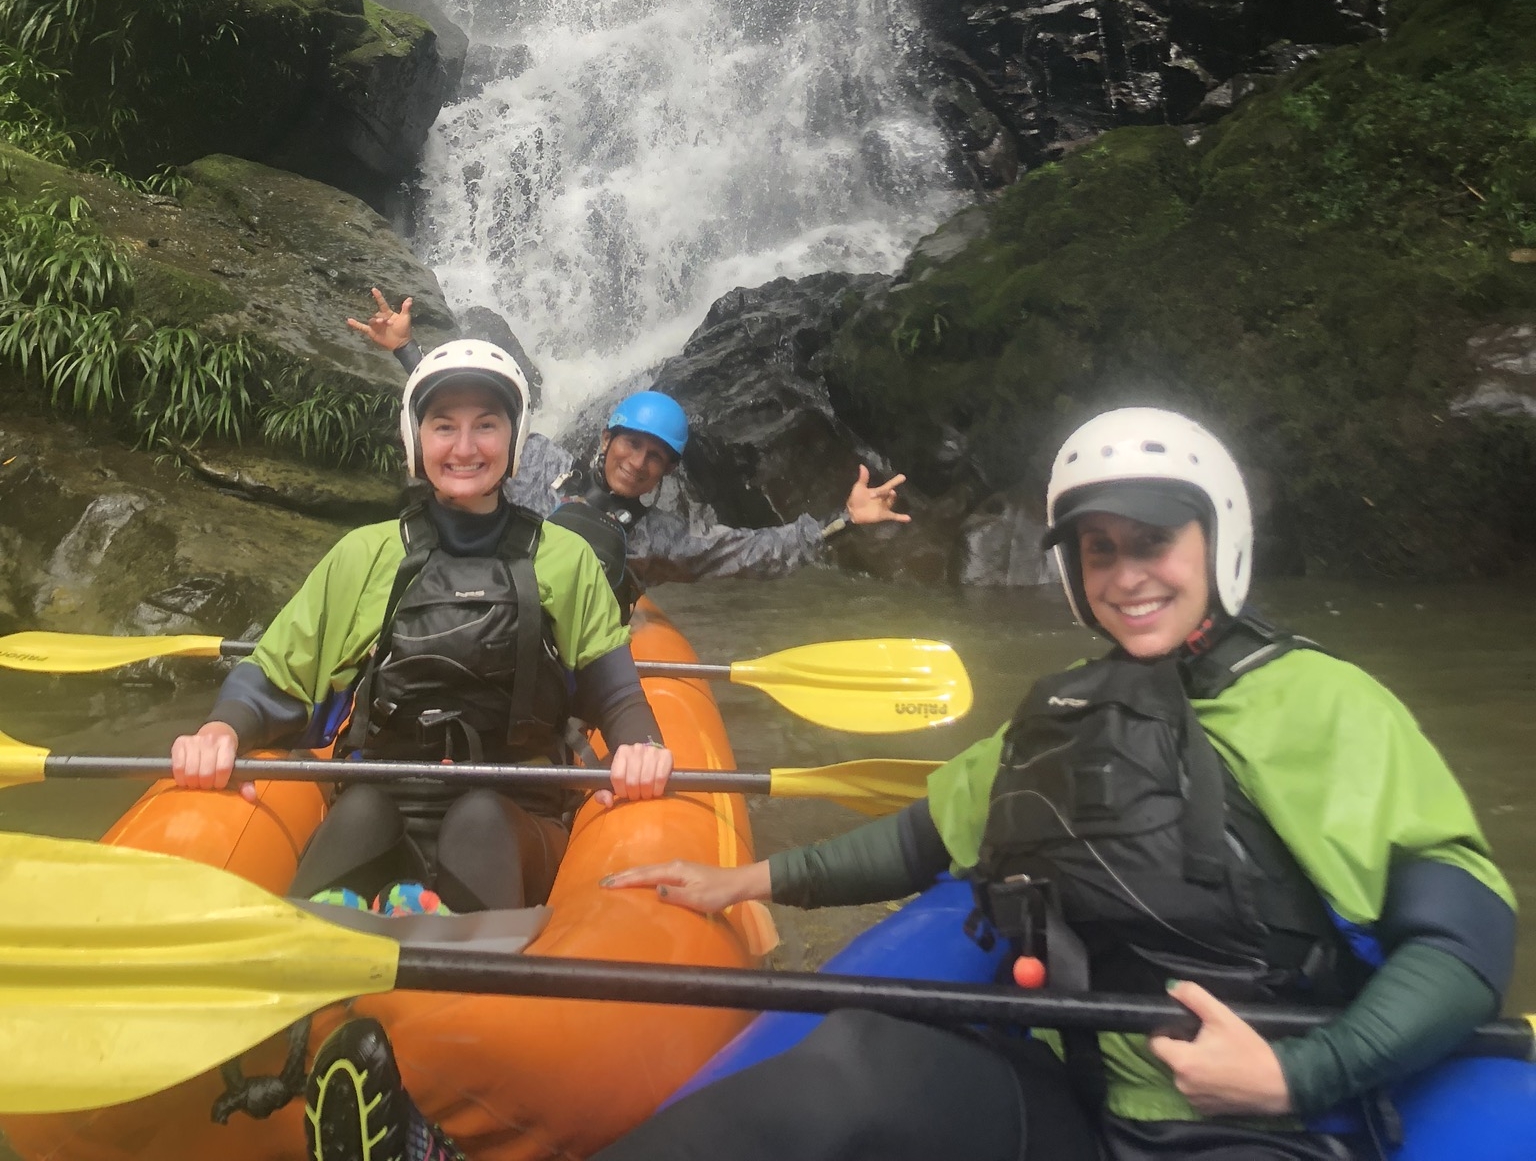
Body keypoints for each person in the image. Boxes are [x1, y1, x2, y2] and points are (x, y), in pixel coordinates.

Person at [582, 406, 1517, 1161]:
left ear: (1215, 539)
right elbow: (926, 837)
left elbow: (1463, 943)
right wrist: (742, 882)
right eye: (1099, 551)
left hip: (1263, 1126)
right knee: (853, 1067)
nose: (1126, 575)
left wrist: (1300, 1077)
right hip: (1082, 1099)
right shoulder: (1067, 707)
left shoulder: (1323, 704)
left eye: (1152, 541)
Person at [170, 338, 674, 919]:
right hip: (388, 799)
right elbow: (275, 676)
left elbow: (613, 692)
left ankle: (444, 959)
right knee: (359, 812)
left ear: (513, 439)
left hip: (516, 817)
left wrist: (641, 748)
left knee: (478, 818)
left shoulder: (566, 558)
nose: (465, 448)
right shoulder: (365, 554)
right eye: (443, 427)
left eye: (486, 426)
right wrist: (222, 729)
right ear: (416, 440)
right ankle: (331, 956)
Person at [348, 291, 912, 607]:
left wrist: (844, 520)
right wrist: (407, 351)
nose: (638, 463)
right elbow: (466, 430)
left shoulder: (663, 538)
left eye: (655, 458)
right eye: (632, 445)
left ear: (666, 471)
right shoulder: (537, 463)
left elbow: (756, 550)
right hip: (486, 604)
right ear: (605, 439)